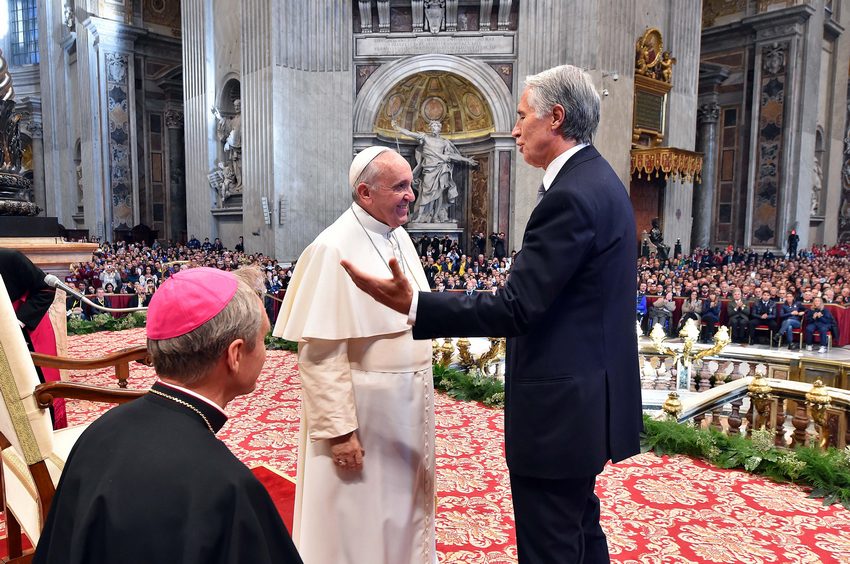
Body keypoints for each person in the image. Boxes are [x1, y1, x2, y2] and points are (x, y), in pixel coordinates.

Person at [342, 65, 642, 563]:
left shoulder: (570, 195)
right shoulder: (600, 179)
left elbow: (517, 306)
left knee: (553, 543)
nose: (514, 129)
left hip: (560, 411)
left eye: (523, 117)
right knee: (580, 530)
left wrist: (415, 304)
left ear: (557, 118)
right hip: (588, 401)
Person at [34, 267, 302, 564]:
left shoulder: (98, 432)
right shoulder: (229, 487)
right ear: (235, 354)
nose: (265, 352)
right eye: (263, 339)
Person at [273, 146, 436, 564]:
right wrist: (340, 432)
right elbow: (320, 354)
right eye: (400, 187)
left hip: (404, 412)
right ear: (365, 192)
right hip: (364, 417)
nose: (411, 196)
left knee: (399, 513)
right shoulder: (332, 248)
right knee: (357, 517)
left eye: (411, 185)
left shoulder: (396, 236)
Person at [0, 248, 66, 428]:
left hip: (26, 329)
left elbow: (47, 288)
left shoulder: (10, 258)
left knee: (37, 392)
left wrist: (19, 321)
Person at [392, 119, 477, 223]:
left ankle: (436, 216)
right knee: (426, 193)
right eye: (432, 127)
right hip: (429, 169)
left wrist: (467, 160)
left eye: (435, 126)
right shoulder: (426, 138)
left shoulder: (444, 142)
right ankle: (420, 216)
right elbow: (410, 134)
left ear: (439, 128)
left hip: (441, 169)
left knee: (439, 194)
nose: (433, 128)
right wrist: (397, 128)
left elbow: (451, 155)